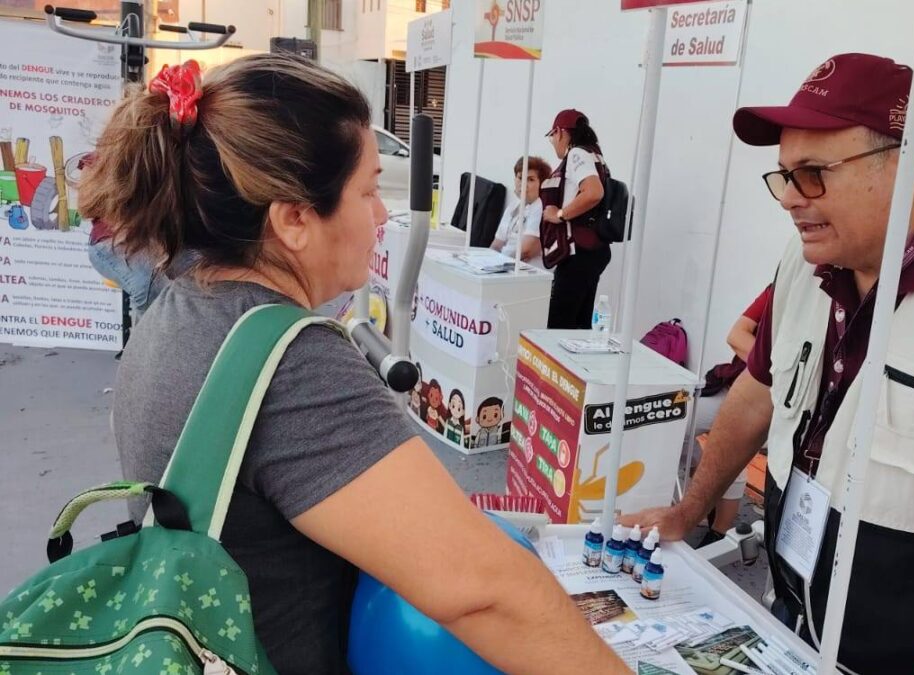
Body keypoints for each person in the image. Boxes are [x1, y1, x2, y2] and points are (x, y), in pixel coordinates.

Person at [80, 54, 627, 675]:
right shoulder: (289, 361)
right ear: (293, 219)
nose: (381, 216)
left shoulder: (181, 306)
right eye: (367, 191)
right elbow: (485, 589)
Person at [621, 53, 914, 674]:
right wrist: (688, 509)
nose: (788, 199)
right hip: (794, 613)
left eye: (812, 173)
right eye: (782, 175)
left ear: (902, 165)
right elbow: (758, 391)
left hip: (902, 657)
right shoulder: (807, 259)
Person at [695, 284, 774, 546]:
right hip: (733, 385)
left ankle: (719, 532)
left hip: (770, 403)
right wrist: (777, 369)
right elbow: (736, 336)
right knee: (677, 421)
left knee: (730, 447)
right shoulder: (777, 288)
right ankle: (699, 492)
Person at [540, 109, 611, 329]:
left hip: (577, 252)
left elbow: (593, 192)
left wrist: (560, 215)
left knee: (558, 326)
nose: (552, 142)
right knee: (579, 327)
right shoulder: (595, 154)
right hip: (594, 249)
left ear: (560, 132)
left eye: (552, 135)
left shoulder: (577, 154)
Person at [490, 156, 550, 267]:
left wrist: (498, 264)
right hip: (503, 266)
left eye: (530, 179)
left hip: (526, 272)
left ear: (542, 184)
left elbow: (525, 251)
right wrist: (487, 262)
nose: (523, 184)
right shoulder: (513, 206)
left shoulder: (541, 207)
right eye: (520, 178)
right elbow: (497, 244)